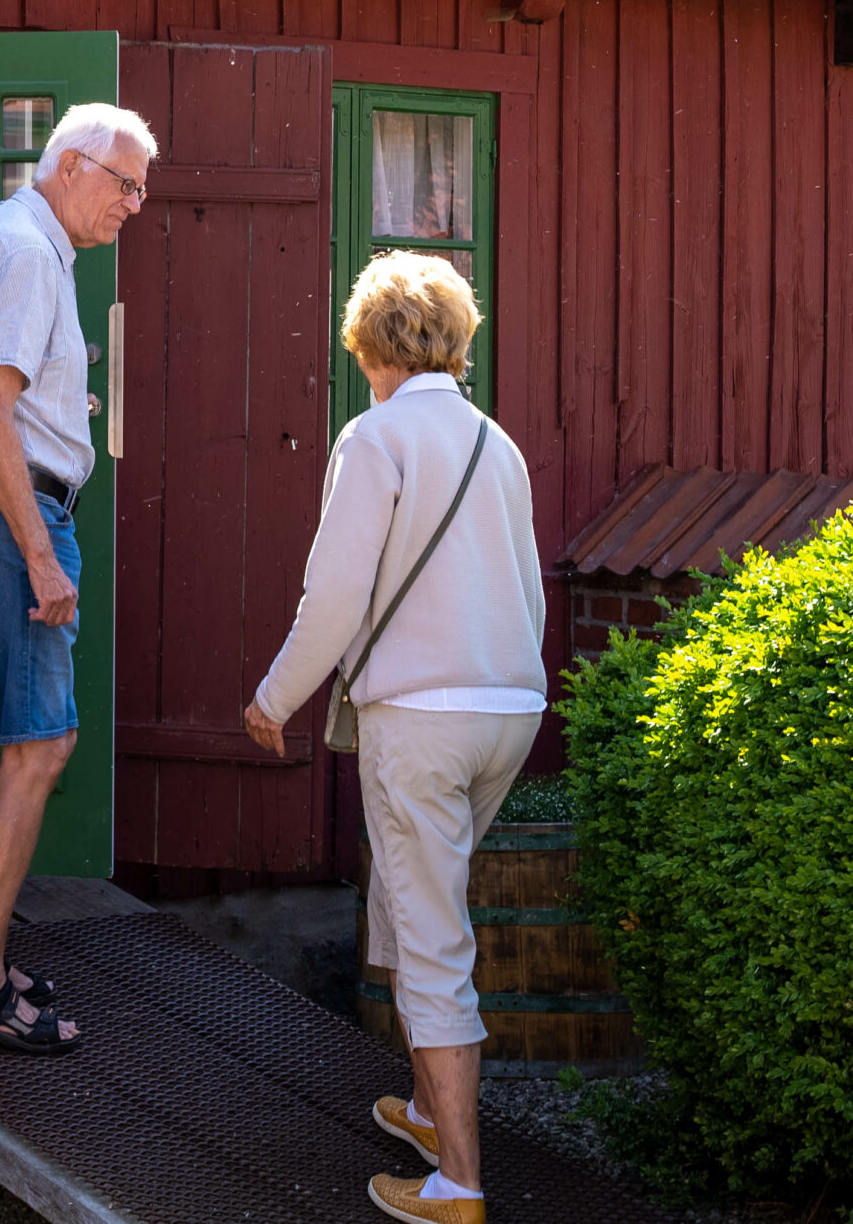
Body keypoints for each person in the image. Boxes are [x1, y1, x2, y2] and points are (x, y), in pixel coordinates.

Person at [242, 252, 547, 1224]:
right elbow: (527, 591)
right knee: (419, 898)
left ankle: (457, 1181)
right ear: (455, 338)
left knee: (427, 932)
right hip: (508, 709)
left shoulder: (375, 439)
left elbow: (334, 595)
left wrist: (272, 697)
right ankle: (423, 1109)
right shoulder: (496, 445)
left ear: (369, 343)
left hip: (420, 717)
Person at [0, 100, 156, 1056]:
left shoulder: (23, 243)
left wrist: (70, 399)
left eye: (142, 188)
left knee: (39, 744)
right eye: (125, 183)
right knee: (39, 750)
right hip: (1, 515)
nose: (134, 205)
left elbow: (8, 397)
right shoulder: (26, 252)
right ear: (69, 165)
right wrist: (40, 556)